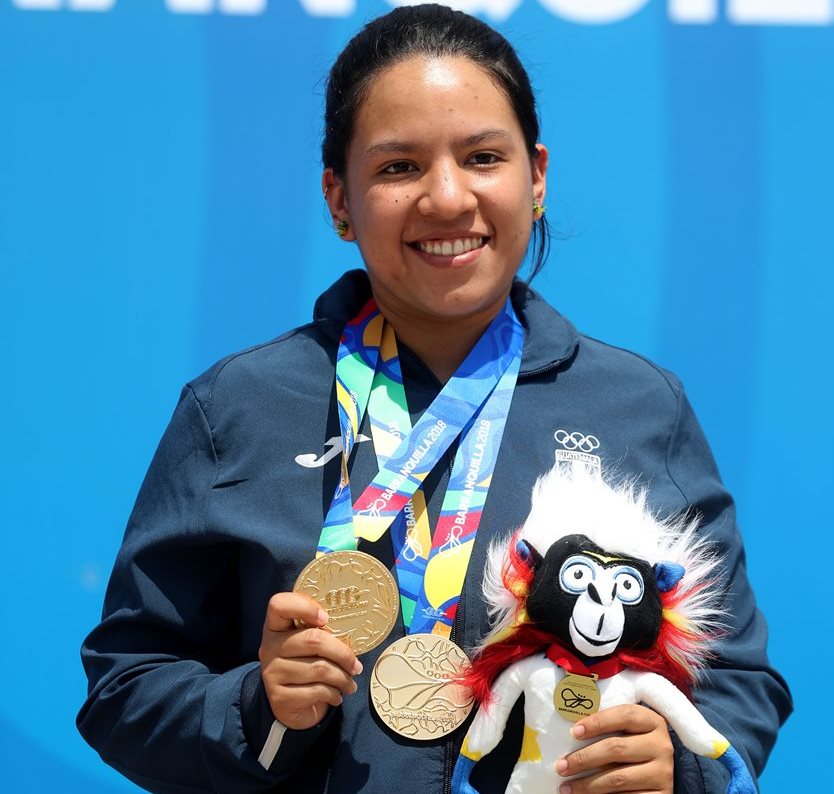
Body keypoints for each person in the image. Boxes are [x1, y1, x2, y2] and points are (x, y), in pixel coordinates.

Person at [77, 5, 791, 793]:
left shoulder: (637, 407)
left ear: (537, 176)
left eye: (483, 157)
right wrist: (255, 703)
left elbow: (738, 677)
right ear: (338, 199)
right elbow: (124, 687)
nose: (447, 199)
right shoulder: (238, 404)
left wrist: (677, 764)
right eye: (397, 168)